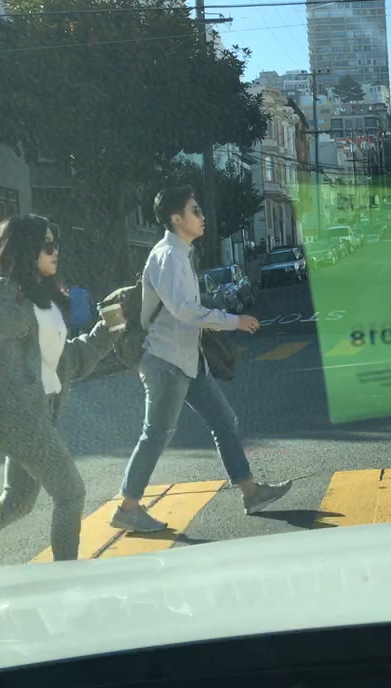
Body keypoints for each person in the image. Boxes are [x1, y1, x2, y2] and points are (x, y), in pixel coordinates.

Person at [0, 215, 118, 573]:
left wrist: (109, 329)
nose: (55, 251)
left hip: (41, 412)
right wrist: (11, 321)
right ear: (25, 249)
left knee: (17, 501)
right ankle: (65, 578)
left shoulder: (45, 297)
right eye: (47, 245)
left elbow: (68, 361)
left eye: (56, 243)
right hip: (22, 417)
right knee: (71, 494)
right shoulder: (6, 289)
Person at [112, 185, 289, 533]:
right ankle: (127, 507)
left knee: (224, 421)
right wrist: (233, 321)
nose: (202, 216)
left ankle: (251, 493)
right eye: (195, 210)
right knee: (157, 433)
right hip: (165, 361)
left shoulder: (181, 255)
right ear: (176, 219)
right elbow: (184, 310)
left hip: (188, 361)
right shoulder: (167, 257)